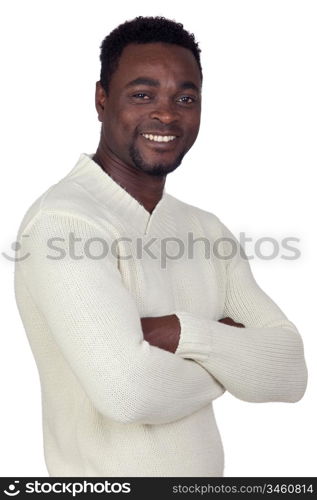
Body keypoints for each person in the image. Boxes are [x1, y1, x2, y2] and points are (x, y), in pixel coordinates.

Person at [14, 16, 307, 477]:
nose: (167, 115)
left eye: (184, 98)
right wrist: (231, 357)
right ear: (101, 99)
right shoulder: (64, 224)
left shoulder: (206, 231)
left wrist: (178, 333)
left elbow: (290, 373)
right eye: (142, 94)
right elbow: (128, 393)